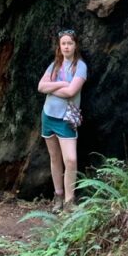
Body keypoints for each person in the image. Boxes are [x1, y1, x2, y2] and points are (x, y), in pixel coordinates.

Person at [37, 29, 87, 212]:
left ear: (75, 45)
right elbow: (40, 86)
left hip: (66, 119)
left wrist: (52, 88)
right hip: (48, 116)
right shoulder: (55, 65)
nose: (66, 46)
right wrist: (60, 84)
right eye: (63, 43)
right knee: (55, 157)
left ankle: (69, 201)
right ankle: (58, 197)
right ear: (59, 46)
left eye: (70, 43)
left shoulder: (80, 66)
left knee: (71, 159)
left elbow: (71, 92)